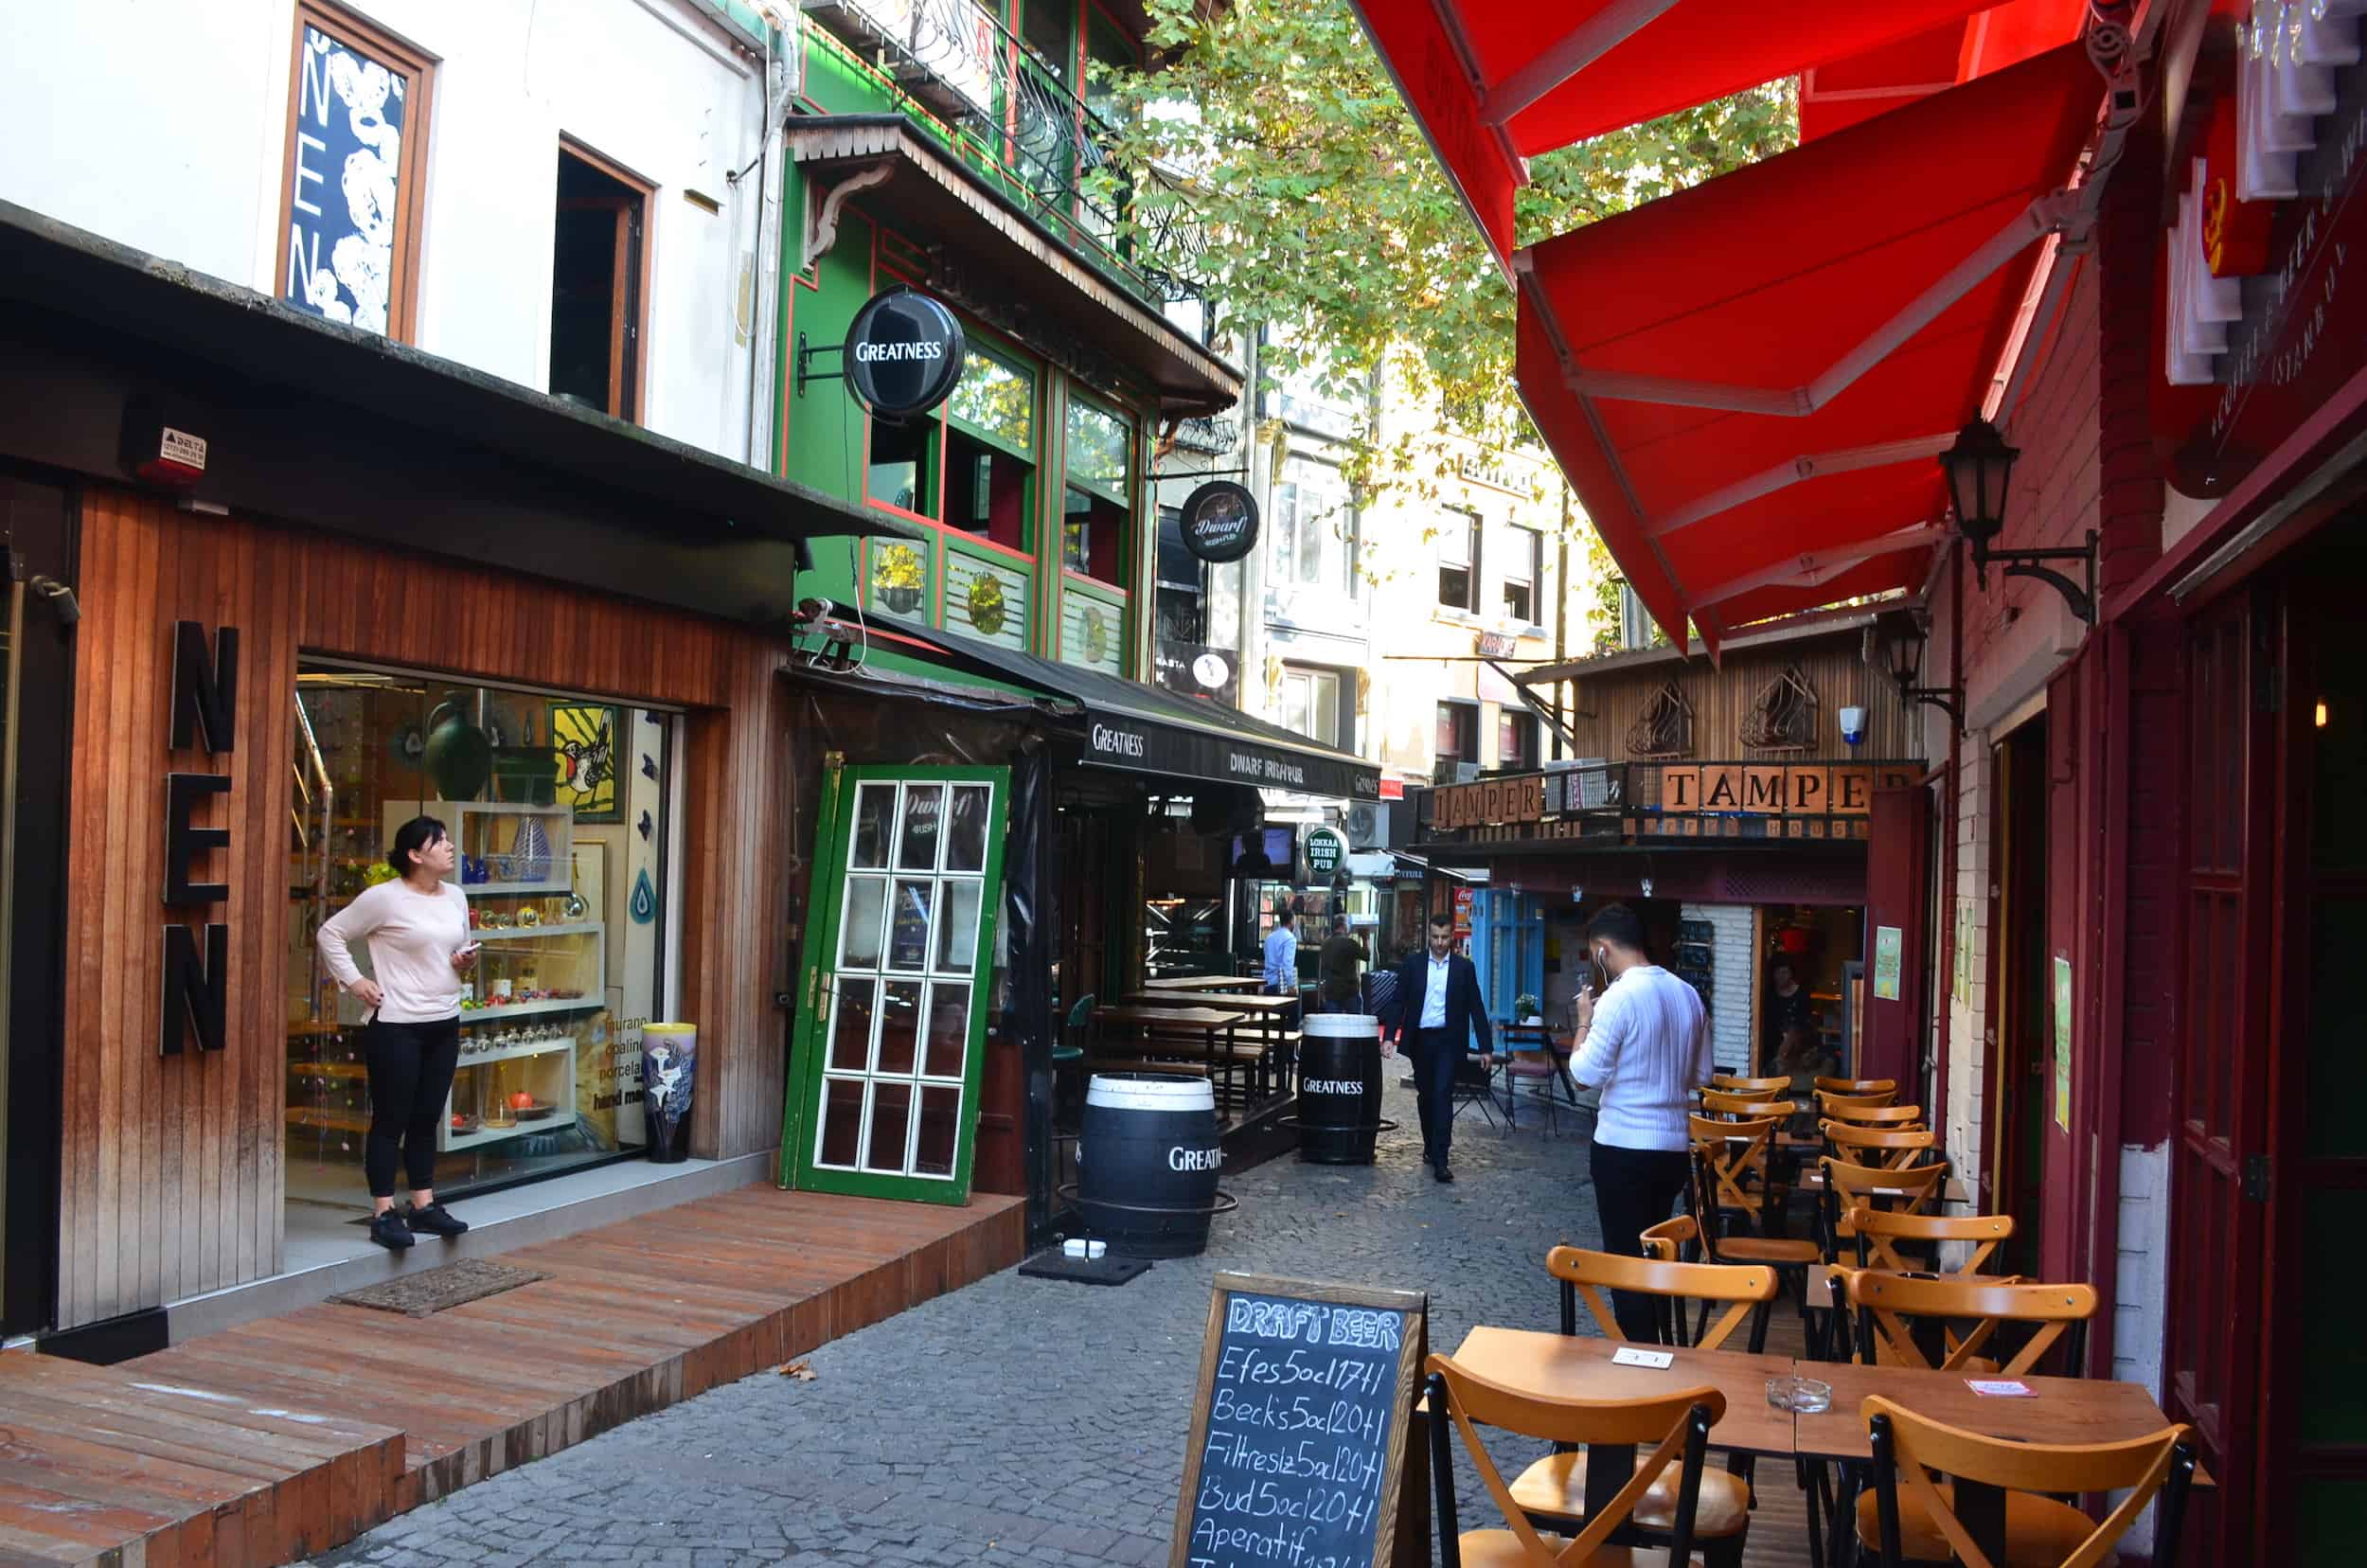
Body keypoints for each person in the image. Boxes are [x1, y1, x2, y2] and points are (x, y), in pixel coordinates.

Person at [318, 815, 480, 1252]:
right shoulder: (383, 899)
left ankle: (423, 1205)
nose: (449, 847)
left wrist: (464, 963)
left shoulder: (456, 897)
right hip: (396, 1026)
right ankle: (384, 1212)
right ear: (414, 855)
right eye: (439, 841)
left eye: (448, 840)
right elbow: (330, 933)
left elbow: (454, 956)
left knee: (427, 1117)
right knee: (391, 1120)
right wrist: (355, 982)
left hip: (444, 1021)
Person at [1570, 902, 1713, 1342]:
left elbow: (1584, 1075)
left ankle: (1641, 1356)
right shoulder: (1688, 994)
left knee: (1626, 1260)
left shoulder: (1618, 999)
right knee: (1653, 1256)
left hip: (1623, 1149)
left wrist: (1583, 1023)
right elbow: (1702, 1076)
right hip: (1671, 1148)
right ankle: (1658, 1348)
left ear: (1602, 951)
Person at [1383, 914, 1493, 1183]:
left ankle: (1441, 1158)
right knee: (1427, 1095)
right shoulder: (1413, 965)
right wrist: (1388, 1037)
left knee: (1443, 1094)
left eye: (1445, 937)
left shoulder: (1463, 968)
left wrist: (1486, 1047)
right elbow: (1399, 1001)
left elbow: (1476, 1007)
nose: (1440, 942)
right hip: (1421, 1040)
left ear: (1451, 937)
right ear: (1428, 936)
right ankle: (1430, 1145)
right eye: (1435, 937)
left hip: (1449, 1041)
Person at [1764, 959, 1818, 1070]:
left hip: (1795, 1045)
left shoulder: (1801, 994)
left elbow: (1801, 1023)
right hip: (1770, 1042)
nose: (1781, 976)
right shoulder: (1769, 993)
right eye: (1777, 973)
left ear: (1791, 974)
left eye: (1784, 972)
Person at [1317, 929, 1365, 1013]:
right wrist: (1365, 938)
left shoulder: (1325, 944)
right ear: (1344, 927)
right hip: (1350, 990)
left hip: (1332, 990)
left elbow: (1323, 967)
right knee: (1354, 1021)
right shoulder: (1350, 943)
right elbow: (1366, 956)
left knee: (1333, 1022)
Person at [1261, 901, 1299, 1004]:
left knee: (1270, 1017)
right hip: (1281, 985)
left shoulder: (1269, 937)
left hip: (1267, 983)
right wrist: (1291, 985)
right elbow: (1287, 964)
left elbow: (1266, 957)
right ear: (1291, 921)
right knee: (1292, 1017)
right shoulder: (1290, 939)